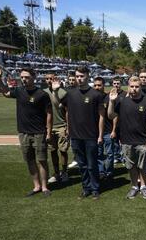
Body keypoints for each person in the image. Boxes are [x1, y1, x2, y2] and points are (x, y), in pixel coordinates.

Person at [0, 65, 52, 197]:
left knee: (42, 160)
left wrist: (48, 132)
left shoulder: (42, 94)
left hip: (39, 132)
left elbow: (49, 114)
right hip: (23, 132)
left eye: (26, 77)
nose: (24, 80)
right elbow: (5, 92)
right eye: (22, 77)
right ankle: (36, 186)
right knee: (30, 160)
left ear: (34, 77)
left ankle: (44, 187)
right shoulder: (19, 91)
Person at [107, 76, 146, 200]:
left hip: (142, 140)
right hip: (126, 140)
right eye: (132, 86)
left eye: (137, 86)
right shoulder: (122, 100)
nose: (134, 89)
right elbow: (111, 115)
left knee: (142, 166)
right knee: (131, 166)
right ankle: (134, 186)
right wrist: (111, 102)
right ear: (128, 87)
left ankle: (143, 186)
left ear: (140, 87)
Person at [61, 66, 105, 200]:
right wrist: (68, 128)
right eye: (77, 76)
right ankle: (86, 188)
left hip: (91, 136)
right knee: (82, 165)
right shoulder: (70, 93)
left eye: (82, 76)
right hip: (75, 136)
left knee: (92, 165)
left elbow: (102, 116)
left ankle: (95, 189)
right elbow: (67, 112)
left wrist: (100, 135)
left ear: (88, 76)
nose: (79, 79)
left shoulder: (95, 94)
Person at [43, 73, 70, 183]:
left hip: (61, 125)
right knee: (53, 151)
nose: (49, 80)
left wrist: (68, 126)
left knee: (63, 150)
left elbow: (67, 111)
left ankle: (64, 172)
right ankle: (56, 173)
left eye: (51, 78)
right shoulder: (43, 93)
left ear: (55, 79)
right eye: (47, 79)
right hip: (49, 127)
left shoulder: (63, 92)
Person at [94, 77, 117, 180]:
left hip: (108, 130)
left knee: (109, 153)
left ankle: (109, 172)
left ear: (103, 85)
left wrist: (114, 130)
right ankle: (101, 172)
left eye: (99, 85)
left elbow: (115, 115)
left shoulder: (109, 97)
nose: (97, 87)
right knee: (98, 153)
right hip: (95, 131)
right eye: (95, 85)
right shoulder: (92, 98)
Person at [112, 76, 125, 164]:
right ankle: (117, 156)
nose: (116, 85)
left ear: (121, 84)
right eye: (114, 83)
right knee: (115, 140)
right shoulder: (110, 94)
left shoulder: (125, 94)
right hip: (113, 122)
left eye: (118, 83)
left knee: (124, 140)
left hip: (124, 121)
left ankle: (124, 156)